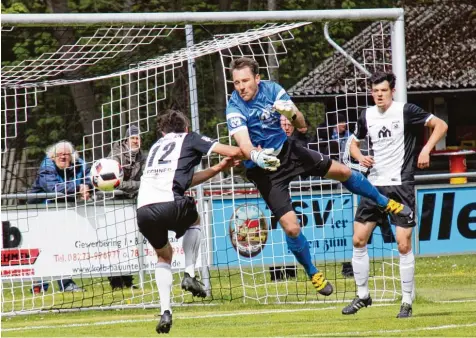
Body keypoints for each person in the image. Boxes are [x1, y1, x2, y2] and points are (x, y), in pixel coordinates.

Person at [225, 57, 413, 296]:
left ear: (257, 79)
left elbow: (302, 125)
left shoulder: (272, 90)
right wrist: (256, 155)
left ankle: (386, 203)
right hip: (264, 169)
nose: (241, 87)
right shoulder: (234, 107)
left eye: (245, 81)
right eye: (236, 83)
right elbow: (243, 143)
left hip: (288, 152)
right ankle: (313, 271)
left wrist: (291, 114)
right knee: (291, 229)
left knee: (344, 171)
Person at [342, 71, 448, 318]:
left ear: (392, 91)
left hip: (400, 185)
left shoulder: (406, 110)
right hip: (373, 186)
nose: (379, 95)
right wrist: (360, 158)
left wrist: (425, 150)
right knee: (358, 240)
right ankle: (362, 295)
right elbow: (353, 144)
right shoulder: (366, 115)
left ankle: (407, 301)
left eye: (383, 90)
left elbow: (441, 125)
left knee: (403, 244)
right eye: (375, 91)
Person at [136, 109, 243, 334]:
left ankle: (166, 310)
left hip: (144, 210)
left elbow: (184, 180)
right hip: (170, 204)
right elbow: (233, 150)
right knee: (195, 220)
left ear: (162, 131)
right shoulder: (189, 137)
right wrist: (255, 152)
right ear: (186, 128)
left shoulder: (156, 147)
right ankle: (189, 274)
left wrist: (217, 168)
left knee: (163, 256)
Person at [29, 140, 91, 292]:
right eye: (59, 155)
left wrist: (87, 186)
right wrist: (78, 188)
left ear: (72, 156)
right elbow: (52, 188)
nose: (63, 157)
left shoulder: (81, 164)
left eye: (66, 154)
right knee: (44, 248)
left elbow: (91, 177)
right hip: (41, 212)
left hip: (66, 211)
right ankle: (39, 284)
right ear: (52, 156)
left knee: (64, 247)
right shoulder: (46, 167)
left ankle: (65, 283)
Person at [107, 125, 145, 290]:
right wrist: (137, 185)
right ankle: (115, 280)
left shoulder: (143, 156)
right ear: (126, 140)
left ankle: (128, 280)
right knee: (115, 241)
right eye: (133, 138)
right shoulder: (115, 155)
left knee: (130, 240)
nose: (136, 141)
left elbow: (146, 177)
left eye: (138, 138)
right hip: (113, 201)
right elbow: (115, 182)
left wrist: (136, 186)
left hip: (131, 201)